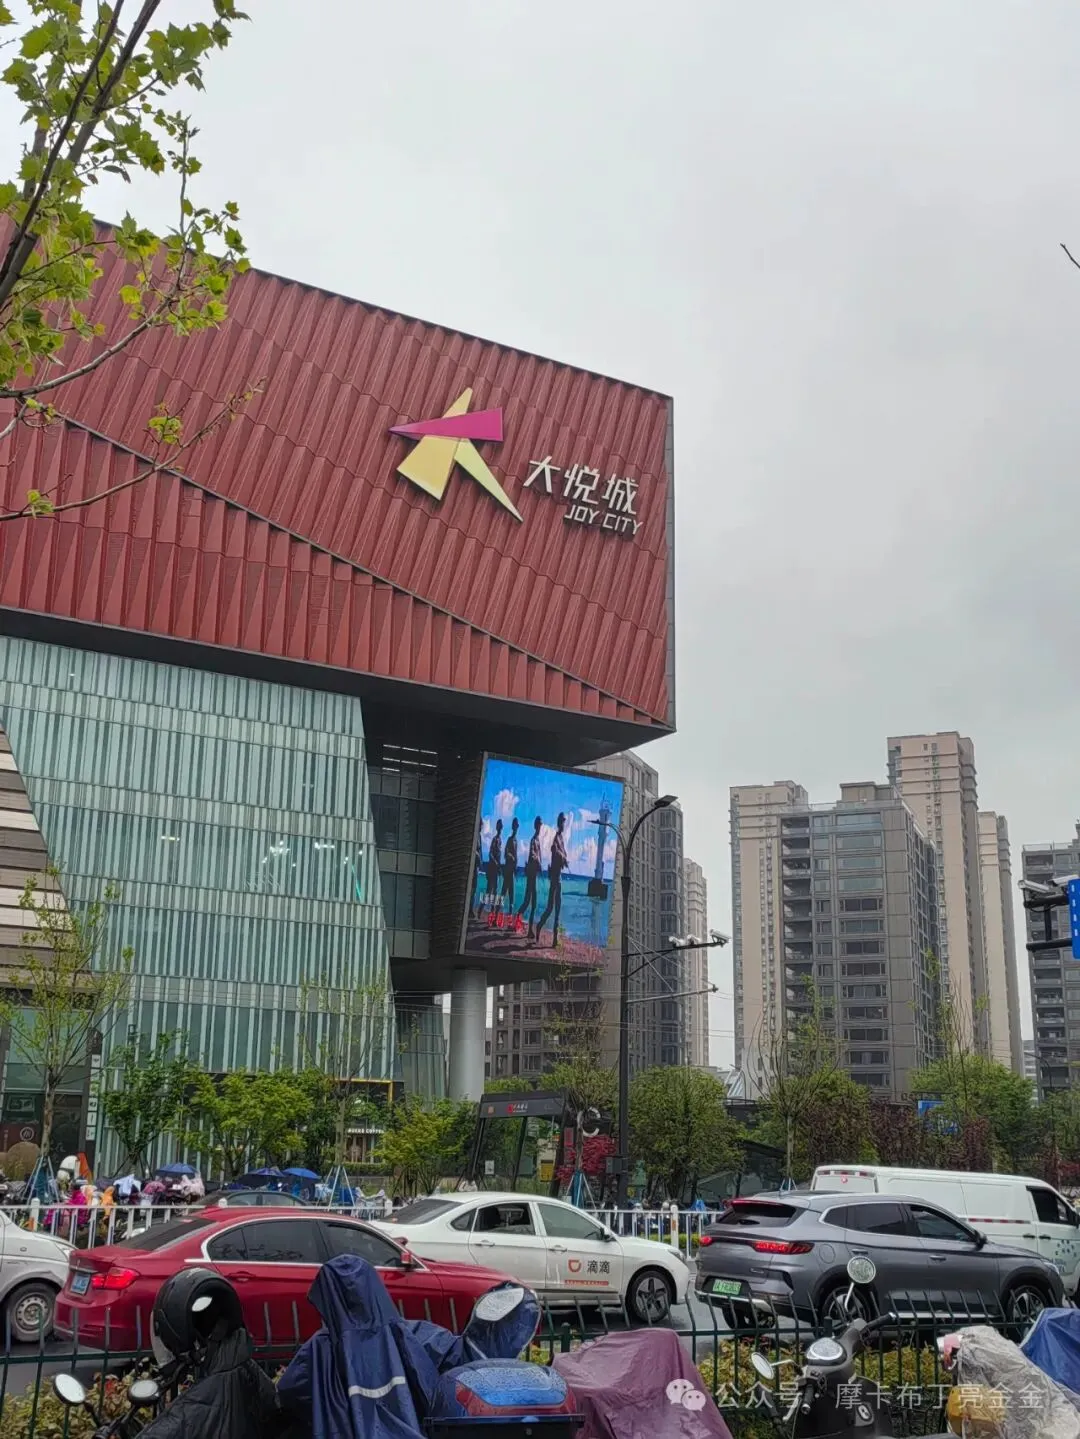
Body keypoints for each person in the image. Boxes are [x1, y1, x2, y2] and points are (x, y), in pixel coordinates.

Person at [536, 811, 569, 948]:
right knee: (550, 908)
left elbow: (563, 854)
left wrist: (565, 860)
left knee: (557, 908)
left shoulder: (561, 839)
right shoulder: (556, 838)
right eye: (562, 822)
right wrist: (562, 857)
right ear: (559, 823)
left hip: (559, 877)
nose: (563, 824)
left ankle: (555, 939)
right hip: (555, 877)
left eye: (564, 822)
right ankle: (539, 926)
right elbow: (555, 851)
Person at [516, 816, 544, 939]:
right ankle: (522, 925)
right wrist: (538, 862)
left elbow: (536, 856)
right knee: (530, 902)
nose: (539, 827)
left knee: (531, 903)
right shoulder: (534, 840)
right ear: (535, 826)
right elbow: (532, 854)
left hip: (534, 875)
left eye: (540, 825)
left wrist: (540, 865)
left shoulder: (537, 840)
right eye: (538, 825)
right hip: (531, 876)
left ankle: (527, 928)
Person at [484, 819, 503, 919]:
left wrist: (499, 867)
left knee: (495, 891)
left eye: (501, 826)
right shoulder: (495, 839)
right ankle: (480, 909)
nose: (500, 828)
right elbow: (490, 854)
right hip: (492, 869)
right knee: (489, 891)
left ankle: (492, 912)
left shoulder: (500, 840)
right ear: (497, 827)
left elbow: (498, 856)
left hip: (496, 869)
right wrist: (495, 863)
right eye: (499, 826)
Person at [501, 816, 519, 916]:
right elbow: (506, 853)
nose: (516, 827)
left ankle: (510, 915)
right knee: (504, 893)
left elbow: (515, 856)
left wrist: (516, 865)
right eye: (515, 825)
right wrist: (511, 857)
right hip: (508, 870)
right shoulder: (510, 839)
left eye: (517, 825)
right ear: (513, 827)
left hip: (512, 871)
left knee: (511, 894)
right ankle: (496, 914)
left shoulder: (516, 841)